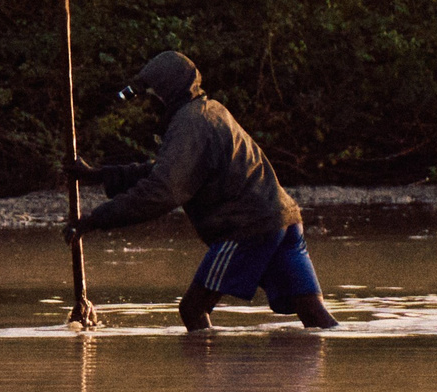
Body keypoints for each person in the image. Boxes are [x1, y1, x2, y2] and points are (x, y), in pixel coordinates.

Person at [66, 50, 338, 331]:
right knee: (315, 316)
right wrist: (98, 175)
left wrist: (94, 220)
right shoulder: (209, 111)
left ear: (165, 93)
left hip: (247, 228)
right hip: (285, 220)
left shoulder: (190, 123)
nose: (149, 106)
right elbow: (164, 170)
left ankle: (208, 373)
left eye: (151, 97)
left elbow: (161, 191)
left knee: (193, 309)